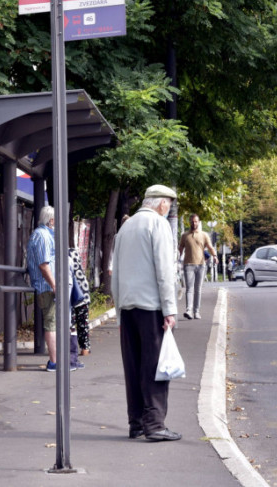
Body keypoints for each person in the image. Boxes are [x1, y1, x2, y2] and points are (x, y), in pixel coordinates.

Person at [111, 184, 181, 442]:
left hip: (127, 308)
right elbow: (164, 270)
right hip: (151, 307)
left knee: (133, 366)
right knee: (156, 366)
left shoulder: (125, 227)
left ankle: (136, 422)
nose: (169, 209)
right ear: (161, 203)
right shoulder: (158, 225)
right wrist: (170, 309)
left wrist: (118, 313)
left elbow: (115, 274)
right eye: (169, 204)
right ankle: (155, 424)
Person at [26, 206, 80, 372]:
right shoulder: (42, 236)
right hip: (48, 287)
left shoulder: (46, 235)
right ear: (51, 220)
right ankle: (54, 362)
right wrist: (55, 285)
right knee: (52, 323)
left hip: (50, 285)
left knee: (55, 322)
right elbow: (44, 264)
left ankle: (57, 361)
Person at [177, 213, 217, 320]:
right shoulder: (185, 235)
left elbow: (210, 247)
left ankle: (196, 311)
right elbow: (180, 248)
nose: (194, 223)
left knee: (198, 289)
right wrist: (176, 259)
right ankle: (189, 311)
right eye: (192, 221)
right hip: (188, 265)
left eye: (196, 221)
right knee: (189, 289)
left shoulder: (204, 235)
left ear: (198, 222)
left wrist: (215, 256)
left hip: (201, 265)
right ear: (189, 222)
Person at [69, 248, 91, 356]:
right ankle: (85, 349)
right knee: (83, 324)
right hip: (84, 293)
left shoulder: (62, 258)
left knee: (71, 323)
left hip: (72, 295)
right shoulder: (73, 252)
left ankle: (71, 349)